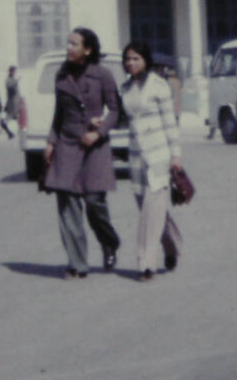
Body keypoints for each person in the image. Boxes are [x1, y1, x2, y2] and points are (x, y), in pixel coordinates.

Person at [42, 28, 122, 278]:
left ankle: (109, 240)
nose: (68, 48)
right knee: (67, 205)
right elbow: (59, 113)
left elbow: (116, 111)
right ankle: (77, 264)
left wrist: (99, 133)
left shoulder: (103, 75)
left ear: (87, 50)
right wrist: (51, 141)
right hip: (67, 143)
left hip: (94, 145)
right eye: (68, 43)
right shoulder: (61, 75)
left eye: (74, 44)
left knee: (94, 202)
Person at [120, 41, 183, 281]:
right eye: (128, 59)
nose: (131, 63)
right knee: (150, 211)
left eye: (136, 58)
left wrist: (176, 155)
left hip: (159, 155)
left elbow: (170, 123)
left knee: (151, 212)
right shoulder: (125, 88)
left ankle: (146, 263)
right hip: (136, 157)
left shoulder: (159, 86)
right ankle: (171, 246)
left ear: (146, 60)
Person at [3, 65, 21, 129]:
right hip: (12, 101)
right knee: (10, 116)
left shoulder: (12, 79)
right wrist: (16, 82)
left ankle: (21, 129)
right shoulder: (9, 79)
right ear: (11, 71)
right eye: (14, 71)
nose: (15, 72)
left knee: (14, 115)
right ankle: (3, 126)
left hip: (15, 100)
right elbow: (11, 90)